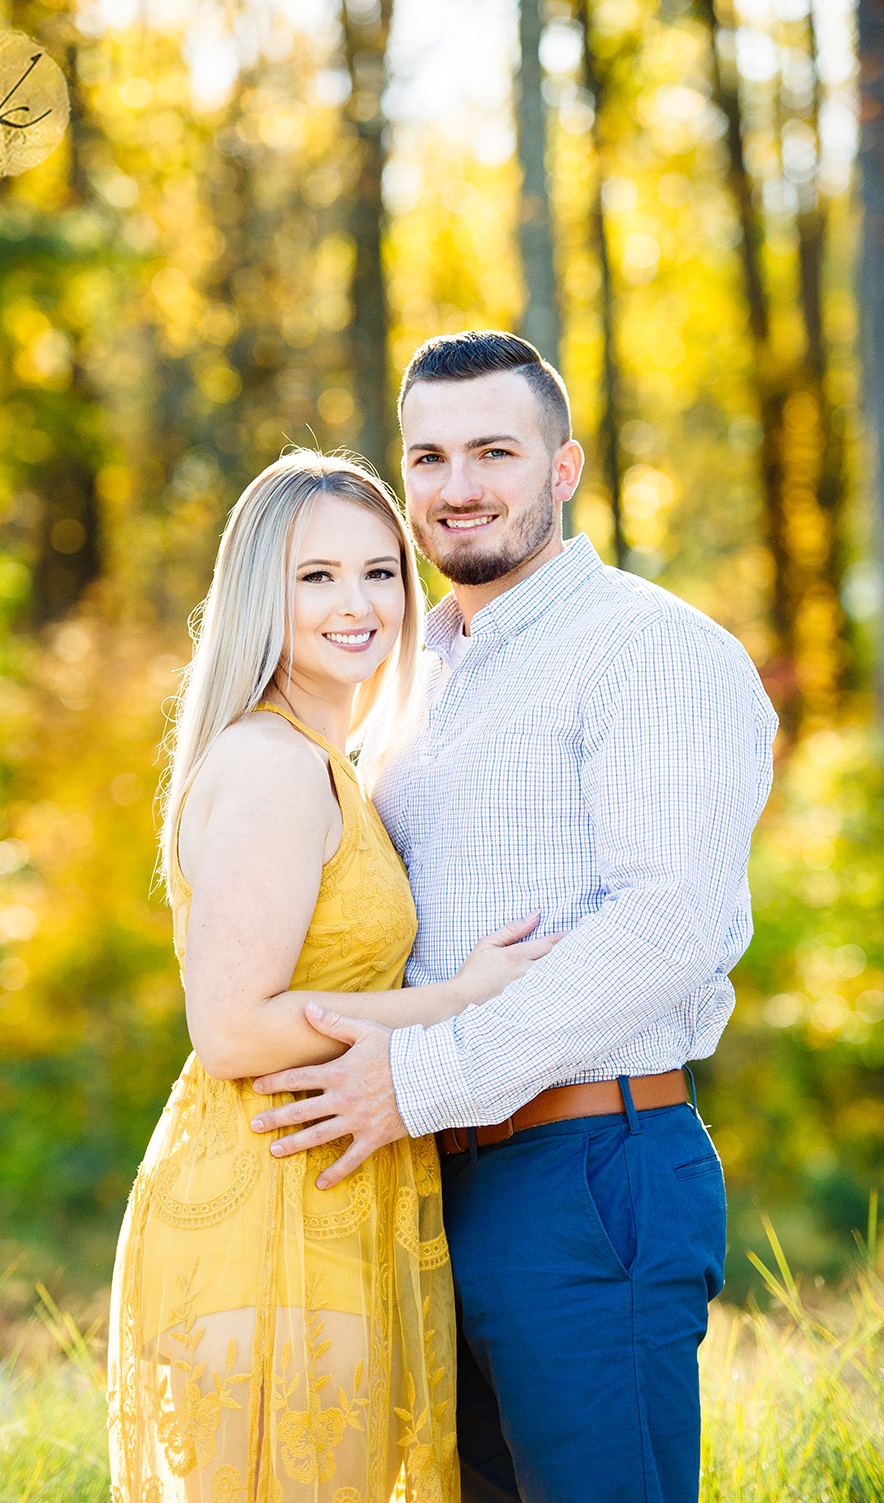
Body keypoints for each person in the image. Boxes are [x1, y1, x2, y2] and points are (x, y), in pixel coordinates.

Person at [249, 333, 779, 1503]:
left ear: (563, 467)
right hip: (428, 1176)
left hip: (588, 1167)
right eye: (427, 457)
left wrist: (426, 1073)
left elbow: (674, 922)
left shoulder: (652, 653)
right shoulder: (408, 668)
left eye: (494, 449)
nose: (457, 486)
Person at [106, 449, 556, 1503]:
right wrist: (456, 999)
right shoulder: (272, 765)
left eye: (379, 572)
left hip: (325, 1195)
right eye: (316, 577)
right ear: (261, 594)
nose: (357, 604)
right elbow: (230, 1030)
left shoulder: (325, 762)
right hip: (267, 1209)